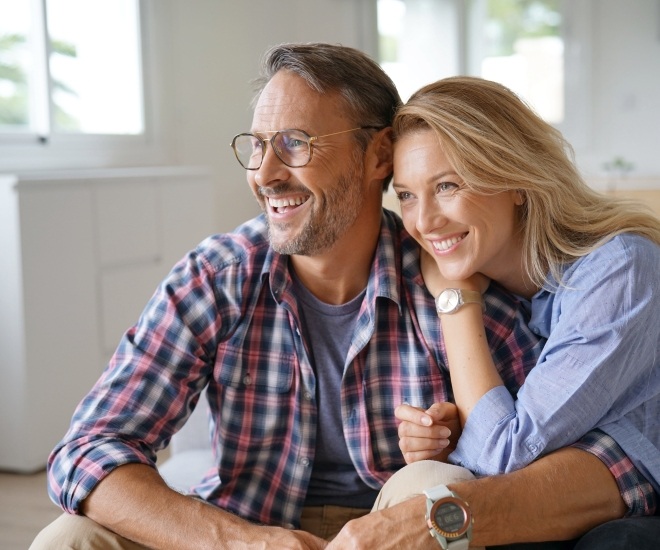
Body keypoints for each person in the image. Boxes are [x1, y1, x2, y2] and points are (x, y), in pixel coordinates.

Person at [30, 44, 649, 550]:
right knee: (69, 538)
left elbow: (529, 464)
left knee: (434, 484)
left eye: (296, 142)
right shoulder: (218, 276)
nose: (265, 173)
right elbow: (86, 449)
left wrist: (446, 437)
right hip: (245, 524)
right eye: (258, 144)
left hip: (395, 532)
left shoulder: (457, 276)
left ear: (376, 155)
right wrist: (241, 542)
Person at [388, 75, 660, 548]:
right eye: (407, 195)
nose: (424, 221)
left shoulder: (620, 270)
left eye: (447, 185)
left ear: (514, 179)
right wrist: (442, 434)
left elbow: (503, 456)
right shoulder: (502, 289)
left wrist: (455, 301)